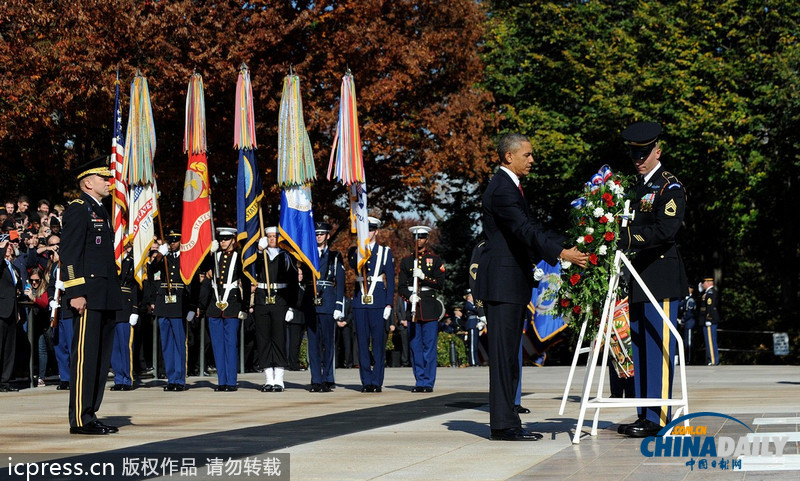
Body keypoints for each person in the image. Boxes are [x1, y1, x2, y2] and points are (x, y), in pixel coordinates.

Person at [476, 133, 587, 441]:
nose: (532, 159)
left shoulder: (511, 187)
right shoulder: (502, 190)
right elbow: (524, 229)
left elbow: (531, 228)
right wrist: (562, 252)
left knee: (510, 354)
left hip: (512, 282)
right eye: (527, 154)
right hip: (502, 283)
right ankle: (503, 424)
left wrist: (566, 242)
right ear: (508, 157)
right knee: (503, 356)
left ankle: (508, 420)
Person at [617, 122, 688, 438]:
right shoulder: (635, 188)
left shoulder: (669, 187)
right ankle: (645, 414)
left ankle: (658, 418)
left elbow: (665, 231)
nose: (638, 159)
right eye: (634, 153)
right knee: (641, 347)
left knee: (658, 347)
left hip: (660, 276)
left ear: (657, 151)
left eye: (644, 153)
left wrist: (624, 237)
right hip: (638, 277)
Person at [61, 156, 123, 435]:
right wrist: (75, 290)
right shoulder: (78, 209)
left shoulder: (101, 211)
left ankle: (90, 413)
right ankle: (79, 417)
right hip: (87, 295)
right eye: (103, 179)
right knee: (85, 358)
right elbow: (70, 253)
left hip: (105, 294)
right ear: (88, 182)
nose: (109, 183)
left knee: (100, 359)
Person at [348, 216, 395, 393]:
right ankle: (366, 380)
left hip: (378, 302)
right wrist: (361, 248)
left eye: (369, 230)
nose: (366, 233)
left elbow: (390, 281)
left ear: (376, 231)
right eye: (363, 230)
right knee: (362, 343)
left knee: (378, 344)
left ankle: (377, 381)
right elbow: (353, 265)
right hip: (361, 301)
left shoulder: (385, 252)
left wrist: (389, 304)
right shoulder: (355, 250)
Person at [201, 227, 249, 392]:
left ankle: (231, 381)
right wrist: (209, 253)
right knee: (218, 345)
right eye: (221, 239)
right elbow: (202, 268)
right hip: (215, 306)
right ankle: (221, 381)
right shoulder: (214, 256)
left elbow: (247, 282)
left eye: (226, 239)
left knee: (230, 345)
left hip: (232, 305)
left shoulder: (239, 257)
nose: (223, 242)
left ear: (233, 240)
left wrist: (244, 306)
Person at [399, 225, 445, 393]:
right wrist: (409, 296)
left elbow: (440, 283)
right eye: (416, 238)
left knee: (429, 347)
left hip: (429, 307)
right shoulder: (406, 261)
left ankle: (428, 382)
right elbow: (402, 286)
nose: (418, 241)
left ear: (427, 239)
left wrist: (423, 277)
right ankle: (419, 380)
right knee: (415, 346)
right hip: (414, 307)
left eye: (422, 237)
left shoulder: (435, 260)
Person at [253, 226, 298, 392]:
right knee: (263, 339)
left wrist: (292, 307)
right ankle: (268, 378)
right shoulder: (260, 254)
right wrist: (258, 251)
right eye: (269, 236)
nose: (272, 239)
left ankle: (279, 378)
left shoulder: (286, 256)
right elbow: (252, 271)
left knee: (279, 338)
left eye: (274, 236)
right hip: (262, 298)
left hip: (280, 299)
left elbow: (293, 282)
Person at [148, 229, 191, 392]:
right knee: (166, 343)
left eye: (175, 240)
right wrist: (160, 254)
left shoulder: (186, 257)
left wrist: (192, 306)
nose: (172, 243)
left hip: (179, 302)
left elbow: (191, 281)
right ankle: (171, 378)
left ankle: (180, 379)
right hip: (163, 302)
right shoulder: (163, 256)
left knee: (179, 343)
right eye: (170, 241)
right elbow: (152, 271)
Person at [307, 221, 345, 392]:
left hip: (328, 300)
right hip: (312, 302)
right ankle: (316, 378)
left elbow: (341, 282)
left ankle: (328, 377)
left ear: (328, 236)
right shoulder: (307, 254)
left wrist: (338, 305)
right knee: (313, 343)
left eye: (322, 234)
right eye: (316, 234)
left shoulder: (335, 256)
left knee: (328, 342)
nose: (319, 236)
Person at [110, 244, 138, 391]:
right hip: (112, 307)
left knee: (125, 347)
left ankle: (127, 379)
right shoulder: (111, 260)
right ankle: (118, 378)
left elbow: (137, 286)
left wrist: (135, 309)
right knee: (114, 348)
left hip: (126, 308)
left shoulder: (135, 261)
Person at [0, 234, 22, 392]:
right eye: (7, 245)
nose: (9, 247)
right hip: (1, 310)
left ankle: (5, 381)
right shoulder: (1, 263)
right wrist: (1, 247)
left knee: (9, 349)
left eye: (10, 246)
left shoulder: (13, 267)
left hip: (12, 309)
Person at [24, 267, 51, 387]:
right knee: (40, 349)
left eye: (36, 280)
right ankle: (39, 376)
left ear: (41, 280)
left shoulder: (44, 289)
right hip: (36, 324)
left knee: (49, 347)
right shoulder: (30, 288)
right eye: (32, 280)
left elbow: (45, 303)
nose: (34, 283)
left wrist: (33, 298)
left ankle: (44, 375)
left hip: (46, 323)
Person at [698, 277, 720, 366]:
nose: (702, 285)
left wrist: (708, 318)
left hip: (709, 320)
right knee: (709, 340)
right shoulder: (707, 292)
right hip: (707, 320)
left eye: (703, 283)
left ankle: (713, 360)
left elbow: (710, 307)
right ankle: (711, 359)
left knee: (711, 341)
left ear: (708, 283)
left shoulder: (710, 292)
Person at [678, 286, 696, 364]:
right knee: (685, 341)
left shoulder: (690, 300)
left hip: (689, 323)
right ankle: (686, 358)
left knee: (688, 342)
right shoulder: (685, 300)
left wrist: (682, 320)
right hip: (685, 323)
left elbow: (689, 313)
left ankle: (689, 359)